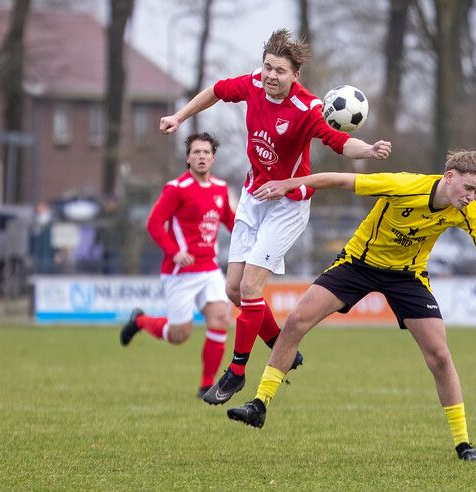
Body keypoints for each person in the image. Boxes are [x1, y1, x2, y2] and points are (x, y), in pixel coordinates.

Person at [226, 150, 476, 462]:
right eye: (468, 188)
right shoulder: (401, 185)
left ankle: (464, 445)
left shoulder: (467, 211)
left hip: (407, 277)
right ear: (449, 177)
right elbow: (341, 180)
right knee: (297, 320)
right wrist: (288, 184)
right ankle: (259, 404)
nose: (471, 197)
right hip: (358, 264)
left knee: (440, 356)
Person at [159, 29, 392, 405]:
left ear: (294, 75)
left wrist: (368, 148)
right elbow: (217, 90)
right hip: (254, 196)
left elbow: (336, 140)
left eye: (279, 71)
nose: (270, 75)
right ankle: (280, 344)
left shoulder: (308, 108)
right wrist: (180, 116)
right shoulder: (252, 83)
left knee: (250, 289)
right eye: (267, 66)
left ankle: (236, 373)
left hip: (288, 204)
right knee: (234, 289)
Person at [119, 133, 250, 397]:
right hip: (180, 273)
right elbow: (154, 224)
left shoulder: (220, 189)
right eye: (196, 152)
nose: (201, 156)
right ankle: (141, 320)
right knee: (180, 334)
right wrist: (175, 252)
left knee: (220, 320)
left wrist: (253, 237)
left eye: (206, 152)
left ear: (213, 158)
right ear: (188, 158)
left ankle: (206, 385)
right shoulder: (176, 189)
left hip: (209, 269)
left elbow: (231, 222)